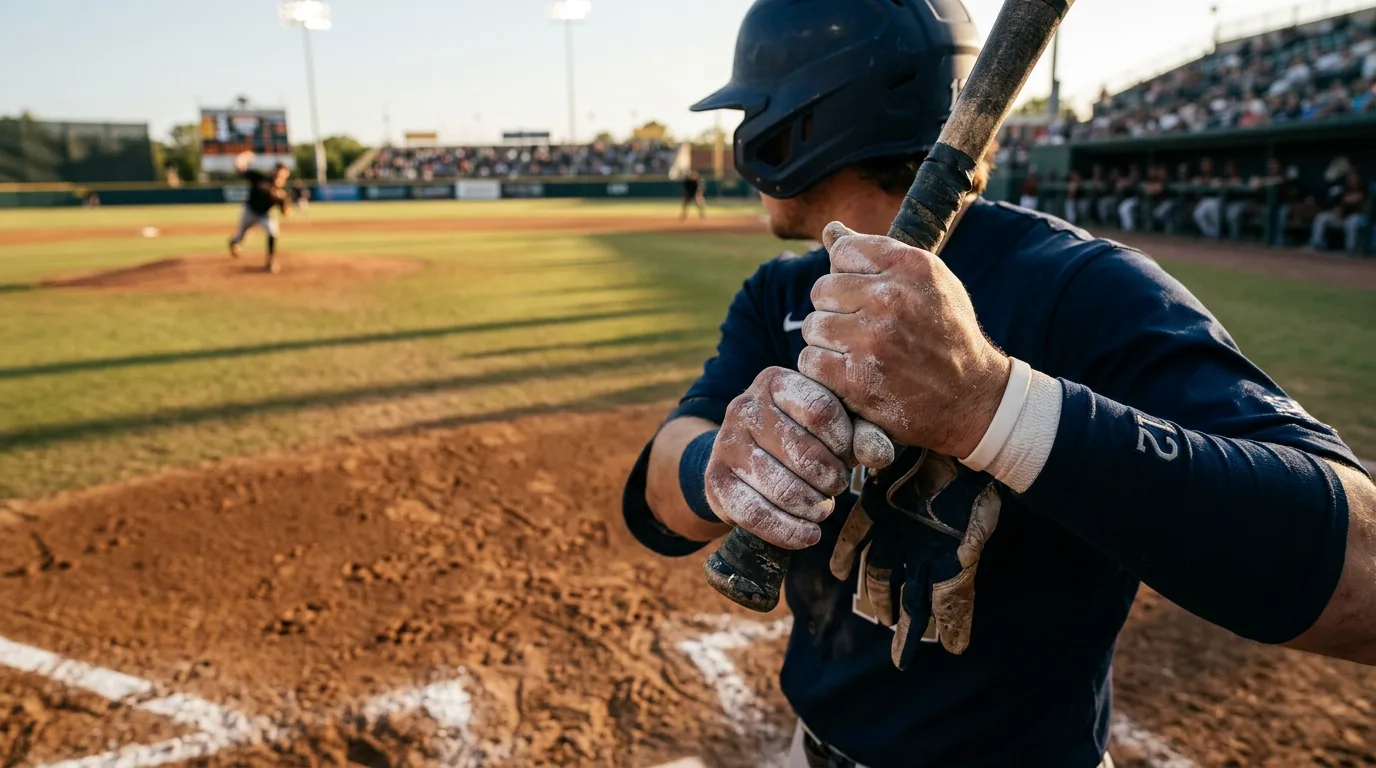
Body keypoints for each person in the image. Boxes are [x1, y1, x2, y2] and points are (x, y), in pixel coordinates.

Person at [621, 1, 1376, 766]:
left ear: (802, 128)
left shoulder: (1079, 287)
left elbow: (1364, 567)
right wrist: (721, 466)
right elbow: (658, 496)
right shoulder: (782, 294)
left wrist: (994, 406)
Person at [228, 151, 291, 273]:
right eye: (279, 173)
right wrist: (243, 157)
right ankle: (233, 242)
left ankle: (270, 261)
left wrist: (282, 203)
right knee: (240, 238)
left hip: (264, 215)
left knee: (273, 232)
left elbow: (286, 212)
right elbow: (240, 168)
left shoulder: (282, 192)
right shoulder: (260, 178)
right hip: (249, 211)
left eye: (284, 175)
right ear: (275, 172)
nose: (281, 177)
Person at [1309, 168, 1369, 253]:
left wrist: (1358, 203)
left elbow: (1366, 208)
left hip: (1358, 217)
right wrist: (1337, 210)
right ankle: (1316, 243)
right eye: (1349, 178)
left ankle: (1350, 249)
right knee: (1321, 218)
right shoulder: (1343, 189)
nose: (1351, 180)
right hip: (1342, 217)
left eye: (1354, 178)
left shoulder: (1365, 190)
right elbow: (1336, 204)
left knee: (1352, 222)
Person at [1192, 156, 1223, 238]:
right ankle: (1211, 235)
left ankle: (1216, 234)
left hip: (1216, 199)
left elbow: (1218, 183)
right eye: (1203, 165)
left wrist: (1209, 182)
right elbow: (1195, 183)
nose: (1205, 167)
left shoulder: (1217, 173)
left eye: (1207, 165)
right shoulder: (1200, 176)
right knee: (1198, 215)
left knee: (1214, 218)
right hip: (1204, 200)